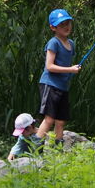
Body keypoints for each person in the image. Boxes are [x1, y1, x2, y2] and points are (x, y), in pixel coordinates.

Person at [36, 9, 81, 142]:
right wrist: (70, 70)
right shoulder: (53, 43)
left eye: (68, 23)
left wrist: (72, 69)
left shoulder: (71, 44)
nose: (66, 27)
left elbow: (66, 64)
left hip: (63, 87)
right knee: (49, 119)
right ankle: (34, 150)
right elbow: (49, 66)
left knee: (61, 121)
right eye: (62, 25)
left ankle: (58, 151)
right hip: (50, 84)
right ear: (53, 27)